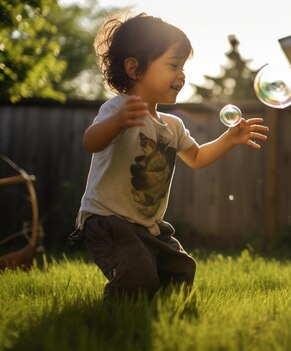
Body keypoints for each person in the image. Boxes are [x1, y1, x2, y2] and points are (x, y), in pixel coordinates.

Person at [71, 12, 269, 298]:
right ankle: (118, 315)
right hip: (107, 219)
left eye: (183, 67)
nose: (182, 75)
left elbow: (197, 158)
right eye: (173, 65)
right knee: (136, 274)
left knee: (181, 269)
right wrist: (118, 123)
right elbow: (91, 142)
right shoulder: (120, 108)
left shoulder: (172, 125)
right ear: (134, 69)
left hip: (148, 225)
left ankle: (159, 307)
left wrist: (229, 139)